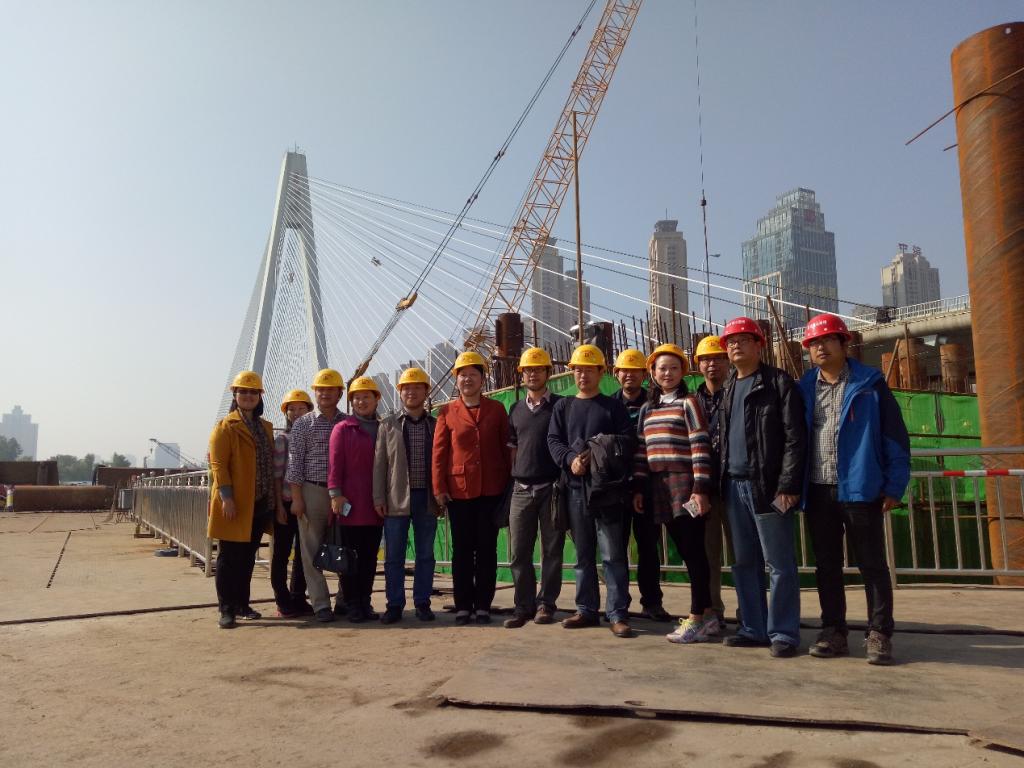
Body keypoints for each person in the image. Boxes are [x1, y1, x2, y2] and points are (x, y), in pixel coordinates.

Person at [799, 314, 910, 665]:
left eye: (827, 340)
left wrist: (894, 485)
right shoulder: (804, 388)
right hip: (818, 488)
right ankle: (833, 631)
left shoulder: (870, 384)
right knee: (827, 566)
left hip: (861, 488)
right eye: (814, 343)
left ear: (844, 344)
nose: (820, 347)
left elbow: (895, 437)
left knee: (872, 564)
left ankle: (879, 633)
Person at [719, 317, 807, 658]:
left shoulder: (778, 383)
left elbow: (795, 438)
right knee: (744, 562)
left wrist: (787, 484)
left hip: (768, 488)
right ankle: (753, 628)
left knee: (779, 563)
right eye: (731, 341)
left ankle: (783, 633)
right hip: (733, 486)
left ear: (759, 345)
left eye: (744, 339)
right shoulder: (729, 386)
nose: (735, 345)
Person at [547, 344, 635, 638]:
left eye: (588, 369)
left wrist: (598, 452)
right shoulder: (563, 407)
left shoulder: (613, 407)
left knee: (613, 554)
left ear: (600, 372)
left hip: (607, 491)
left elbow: (627, 441)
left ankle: (617, 613)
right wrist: (571, 459)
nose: (582, 375)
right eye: (577, 370)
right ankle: (586, 609)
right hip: (575, 490)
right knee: (583, 554)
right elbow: (553, 440)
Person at [632, 344, 718, 643]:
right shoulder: (648, 408)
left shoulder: (688, 403)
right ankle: (708, 615)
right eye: (661, 368)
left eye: (673, 368)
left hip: (684, 484)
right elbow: (641, 451)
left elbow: (700, 446)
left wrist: (700, 489)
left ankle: (696, 618)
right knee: (685, 550)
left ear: (683, 371)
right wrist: (639, 487)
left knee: (693, 551)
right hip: (658, 486)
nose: (667, 373)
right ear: (652, 373)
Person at [432, 351, 511, 625]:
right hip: (459, 491)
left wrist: (508, 485)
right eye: (462, 375)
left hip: (491, 489)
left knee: (487, 549)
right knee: (463, 551)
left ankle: (483, 605)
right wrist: (439, 488)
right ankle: (464, 605)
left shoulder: (497, 410)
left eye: (473, 375)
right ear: (456, 380)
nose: (467, 379)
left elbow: (505, 448)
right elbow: (439, 453)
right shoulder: (446, 412)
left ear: (482, 379)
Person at [208, 371, 276, 629]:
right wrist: (226, 498)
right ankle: (226, 609)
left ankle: (242, 604)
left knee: (248, 557)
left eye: (253, 392)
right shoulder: (225, 427)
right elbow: (219, 465)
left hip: (259, 503)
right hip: (235, 503)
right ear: (235, 395)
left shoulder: (266, 427)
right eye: (243, 392)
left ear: (260, 397)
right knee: (228, 558)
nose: (248, 396)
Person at [373, 367, 442, 624]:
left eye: (417, 387)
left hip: (427, 498)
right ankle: (394, 604)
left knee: (425, 554)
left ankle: (422, 602)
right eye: (406, 388)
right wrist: (378, 498)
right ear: (400, 392)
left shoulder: (435, 425)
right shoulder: (388, 425)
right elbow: (379, 464)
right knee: (394, 556)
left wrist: (441, 495)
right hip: (396, 497)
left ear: (426, 392)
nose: (411, 392)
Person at [504, 347, 565, 629]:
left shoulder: (561, 406)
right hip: (521, 488)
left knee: (552, 551)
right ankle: (523, 605)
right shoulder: (515, 409)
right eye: (528, 369)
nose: (532, 374)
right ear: (522, 374)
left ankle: (546, 605)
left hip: (551, 488)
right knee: (519, 552)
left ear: (547, 373)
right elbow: (513, 449)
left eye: (538, 369)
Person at [613, 348, 669, 622]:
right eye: (624, 370)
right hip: (616, 487)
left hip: (648, 485)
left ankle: (652, 602)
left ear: (644, 375)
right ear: (616, 374)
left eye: (635, 371)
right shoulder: (609, 405)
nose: (629, 375)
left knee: (648, 547)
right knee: (616, 548)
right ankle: (618, 603)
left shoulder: (655, 403)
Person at [287, 368, 347, 623]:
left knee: (346, 546)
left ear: (340, 393)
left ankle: (344, 600)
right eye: (320, 389)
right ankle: (321, 604)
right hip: (313, 491)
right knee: (310, 550)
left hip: (344, 495)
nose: (325, 393)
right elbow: (295, 464)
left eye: (330, 389)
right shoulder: (303, 424)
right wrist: (297, 498)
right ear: (315, 392)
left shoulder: (347, 423)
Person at [328, 377, 385, 623]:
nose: (361, 402)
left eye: (366, 397)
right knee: (349, 558)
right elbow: (334, 465)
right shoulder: (343, 429)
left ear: (376, 399)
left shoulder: (384, 428)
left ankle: (365, 601)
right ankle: (351, 604)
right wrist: (335, 494)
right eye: (357, 398)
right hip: (349, 504)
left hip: (376, 505)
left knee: (370, 557)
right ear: (351, 402)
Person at [692, 335, 731, 630]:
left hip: (735, 485)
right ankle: (712, 610)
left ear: (728, 362)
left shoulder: (738, 393)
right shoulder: (692, 401)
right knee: (707, 555)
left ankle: (752, 614)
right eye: (705, 359)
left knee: (745, 554)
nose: (712, 364)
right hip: (704, 489)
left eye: (718, 358)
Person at [271, 389, 314, 617]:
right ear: (286, 413)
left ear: (309, 411)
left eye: (301, 408)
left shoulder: (314, 437)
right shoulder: (282, 440)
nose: (296, 413)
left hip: (309, 504)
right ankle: (282, 600)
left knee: (303, 554)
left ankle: (298, 597)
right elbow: (277, 477)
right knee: (281, 553)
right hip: (287, 504)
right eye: (292, 409)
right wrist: (279, 506)